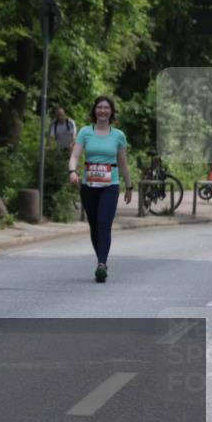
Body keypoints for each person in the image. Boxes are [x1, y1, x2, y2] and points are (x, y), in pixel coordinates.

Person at [67, 96, 132, 283]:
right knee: (95, 226)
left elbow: (123, 163)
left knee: (104, 224)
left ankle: (101, 264)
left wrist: (129, 186)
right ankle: (101, 260)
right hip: (89, 186)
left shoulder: (118, 135)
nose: (102, 111)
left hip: (110, 186)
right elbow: (75, 156)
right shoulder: (85, 132)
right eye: (99, 107)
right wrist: (72, 171)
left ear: (111, 112)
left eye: (106, 108)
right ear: (94, 111)